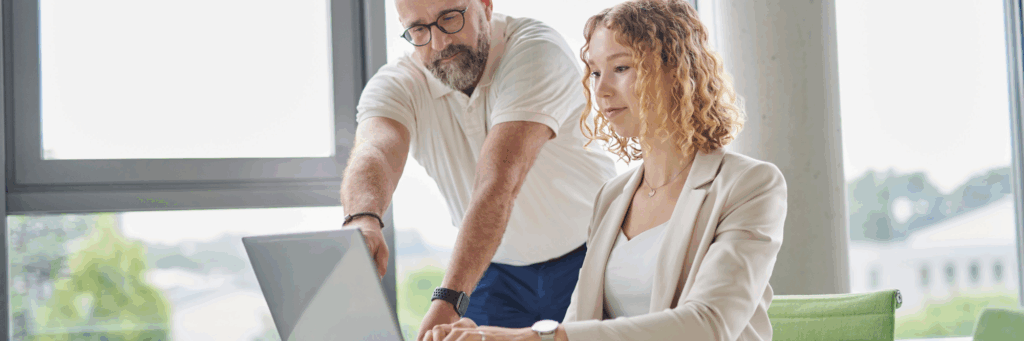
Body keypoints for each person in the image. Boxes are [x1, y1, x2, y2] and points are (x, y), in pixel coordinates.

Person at [424, 0, 788, 340]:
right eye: (596, 73)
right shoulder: (612, 197)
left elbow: (709, 323)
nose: (601, 90)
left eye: (621, 68)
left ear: (676, 72)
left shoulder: (750, 185)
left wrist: (532, 337)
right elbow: (577, 326)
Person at [339, 0, 617, 339]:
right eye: (419, 29)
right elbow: (374, 151)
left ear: (485, 6)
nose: (439, 42)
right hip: (493, 266)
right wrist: (363, 218)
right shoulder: (398, 83)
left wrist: (449, 298)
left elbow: (500, 180)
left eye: (450, 18)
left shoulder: (535, 49)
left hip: (590, 251)